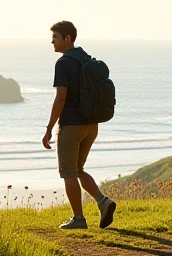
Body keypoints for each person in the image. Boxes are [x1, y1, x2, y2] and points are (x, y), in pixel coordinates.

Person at [42, 20, 118, 229]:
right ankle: (103, 202)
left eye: (55, 37)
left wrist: (49, 128)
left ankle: (78, 219)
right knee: (78, 169)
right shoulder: (86, 58)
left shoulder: (63, 63)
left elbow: (60, 99)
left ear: (67, 38)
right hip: (91, 125)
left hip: (72, 126)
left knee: (68, 172)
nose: (52, 42)